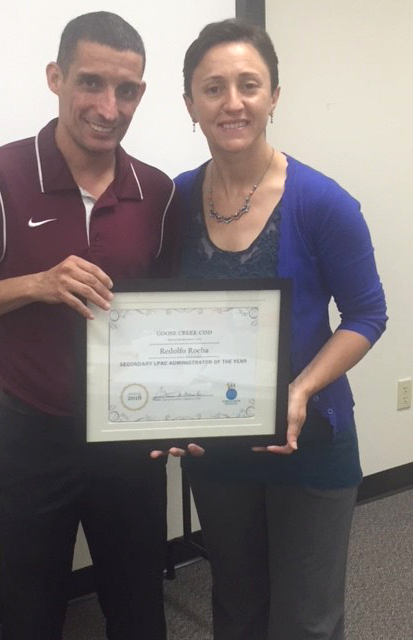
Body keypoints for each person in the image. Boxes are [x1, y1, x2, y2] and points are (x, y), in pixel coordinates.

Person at [0, 12, 179, 640]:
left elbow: (170, 316)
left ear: (141, 94)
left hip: (129, 432)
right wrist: (37, 284)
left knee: (137, 598)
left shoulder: (155, 190)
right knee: (32, 600)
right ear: (56, 78)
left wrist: (185, 409)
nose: (107, 106)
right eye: (90, 83)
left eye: (126, 90)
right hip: (31, 434)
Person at [152, 18, 387, 640]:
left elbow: (367, 314)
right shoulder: (174, 203)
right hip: (218, 450)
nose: (233, 102)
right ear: (189, 105)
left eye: (249, 85)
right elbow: (163, 321)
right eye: (213, 88)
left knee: (305, 622)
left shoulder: (322, 202)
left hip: (309, 447)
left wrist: (301, 389)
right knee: (236, 609)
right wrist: (163, 406)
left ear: (274, 96)